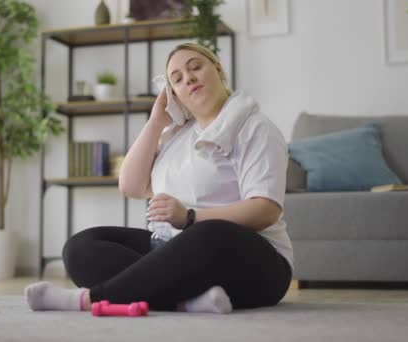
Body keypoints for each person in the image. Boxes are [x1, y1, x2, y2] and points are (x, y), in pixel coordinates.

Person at [25, 42, 293, 313]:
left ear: (219, 70)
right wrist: (156, 122)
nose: (188, 78)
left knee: (208, 234)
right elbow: (131, 185)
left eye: (195, 67)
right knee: (80, 247)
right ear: (172, 93)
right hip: (173, 250)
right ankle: (186, 302)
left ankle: (88, 299)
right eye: (176, 79)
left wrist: (190, 217)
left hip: (253, 260)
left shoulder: (255, 127)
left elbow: (265, 209)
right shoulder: (177, 134)